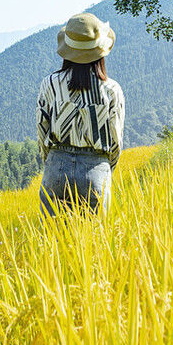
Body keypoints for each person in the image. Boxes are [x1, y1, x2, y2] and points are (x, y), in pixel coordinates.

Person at [36, 12, 125, 218]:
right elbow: (115, 142)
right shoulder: (112, 89)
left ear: (67, 50)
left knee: (52, 242)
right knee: (94, 244)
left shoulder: (49, 83)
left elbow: (42, 129)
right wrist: (102, 167)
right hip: (95, 169)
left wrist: (52, 161)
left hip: (56, 167)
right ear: (100, 51)